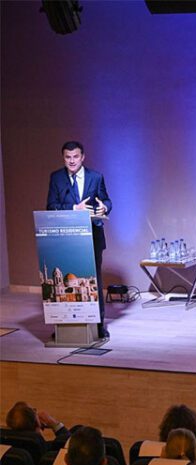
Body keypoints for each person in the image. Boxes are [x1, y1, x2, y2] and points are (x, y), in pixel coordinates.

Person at [46, 141, 112, 339]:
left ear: (83, 157)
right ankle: (65, 325)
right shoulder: (56, 178)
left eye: (75, 157)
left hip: (92, 235)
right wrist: (74, 209)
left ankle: (99, 326)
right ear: (63, 158)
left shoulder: (96, 177)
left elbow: (106, 200)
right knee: (65, 279)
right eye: (68, 157)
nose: (72, 161)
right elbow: (51, 206)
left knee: (93, 282)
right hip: (66, 237)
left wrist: (104, 208)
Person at [4, 401, 70, 449]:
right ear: (38, 424)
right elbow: (69, 444)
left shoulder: (6, 446)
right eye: (34, 411)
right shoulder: (46, 448)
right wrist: (55, 424)